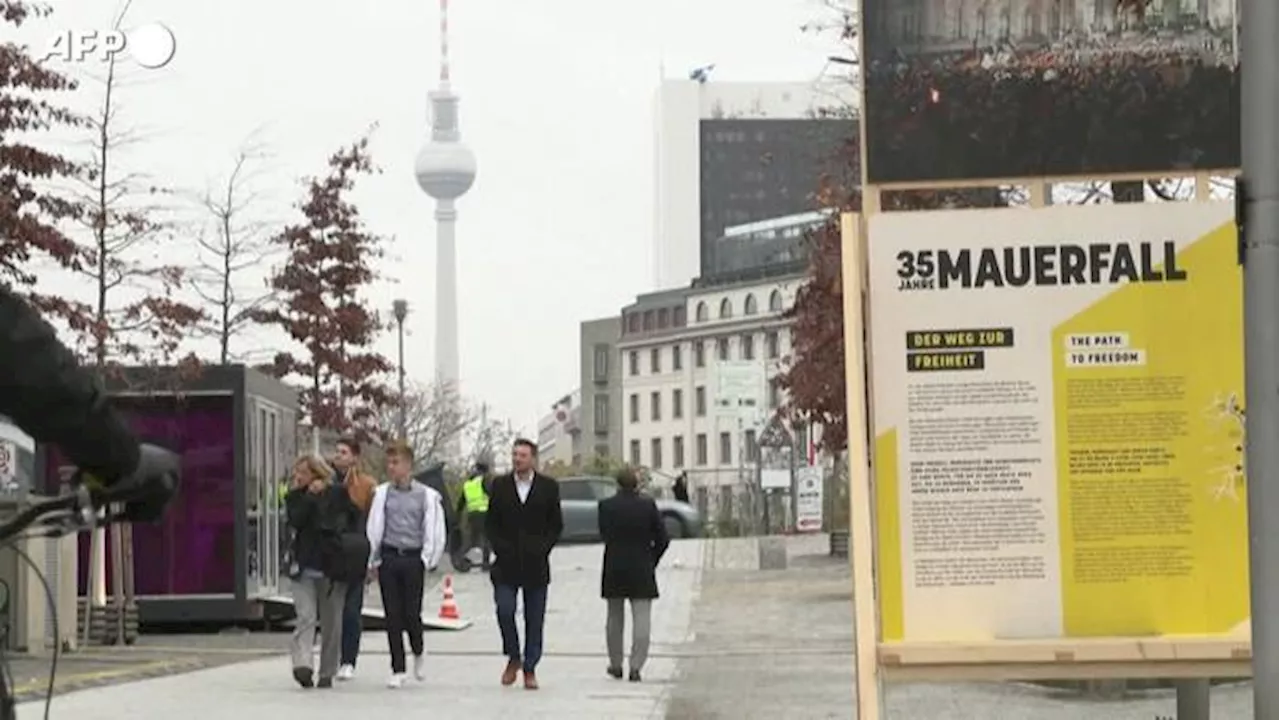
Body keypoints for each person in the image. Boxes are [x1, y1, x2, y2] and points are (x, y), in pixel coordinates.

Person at [365, 440, 446, 688]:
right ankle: (397, 667)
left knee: (412, 614)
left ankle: (418, 650)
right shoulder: (382, 493)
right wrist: (373, 559)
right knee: (392, 616)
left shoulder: (426, 496)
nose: (391, 467)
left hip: (412, 558)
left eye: (396, 462)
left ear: (408, 465)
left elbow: (433, 528)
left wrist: (427, 559)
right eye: (388, 463)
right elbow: (375, 525)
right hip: (389, 557)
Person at [486, 438, 563, 690]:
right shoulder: (500, 485)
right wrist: (500, 548)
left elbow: (555, 525)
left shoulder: (548, 487)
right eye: (515, 454)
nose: (517, 459)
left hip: (535, 564)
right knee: (504, 610)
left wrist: (543, 548)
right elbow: (491, 523)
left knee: (534, 619)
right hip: (506, 564)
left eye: (522, 455)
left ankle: (530, 668)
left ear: (533, 459)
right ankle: (513, 656)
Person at [285, 454, 361, 689]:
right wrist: (309, 496)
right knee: (306, 617)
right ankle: (303, 665)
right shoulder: (295, 497)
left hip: (331, 567)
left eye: (303, 473)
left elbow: (354, 516)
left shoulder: (337, 493)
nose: (298, 477)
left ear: (317, 474)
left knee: (332, 622)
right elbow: (296, 521)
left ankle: (327, 671)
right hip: (303, 567)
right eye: (296, 473)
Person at [599, 467, 670, 682]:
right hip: (642, 567)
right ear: (637, 484)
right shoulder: (647, 506)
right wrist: (652, 559)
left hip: (615, 567)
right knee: (642, 619)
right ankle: (636, 666)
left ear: (617, 484)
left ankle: (616, 663)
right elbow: (663, 538)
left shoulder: (606, 506)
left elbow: (604, 534)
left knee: (614, 618)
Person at [331, 436, 377, 682]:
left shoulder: (367, 486)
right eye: (336, 451)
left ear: (354, 457)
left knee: (351, 610)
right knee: (330, 612)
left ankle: (348, 659)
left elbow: (374, 523)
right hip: (331, 553)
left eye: (344, 452)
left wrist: (372, 559)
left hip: (356, 554)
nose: (338, 456)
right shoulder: (324, 481)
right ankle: (332, 657)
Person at [455, 461, 491, 570]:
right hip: (484, 513)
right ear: (484, 472)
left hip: (472, 515)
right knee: (487, 538)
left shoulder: (467, 484)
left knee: (471, 540)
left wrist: (457, 516)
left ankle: (459, 558)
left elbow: (461, 502)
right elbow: (491, 494)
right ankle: (485, 564)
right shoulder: (483, 481)